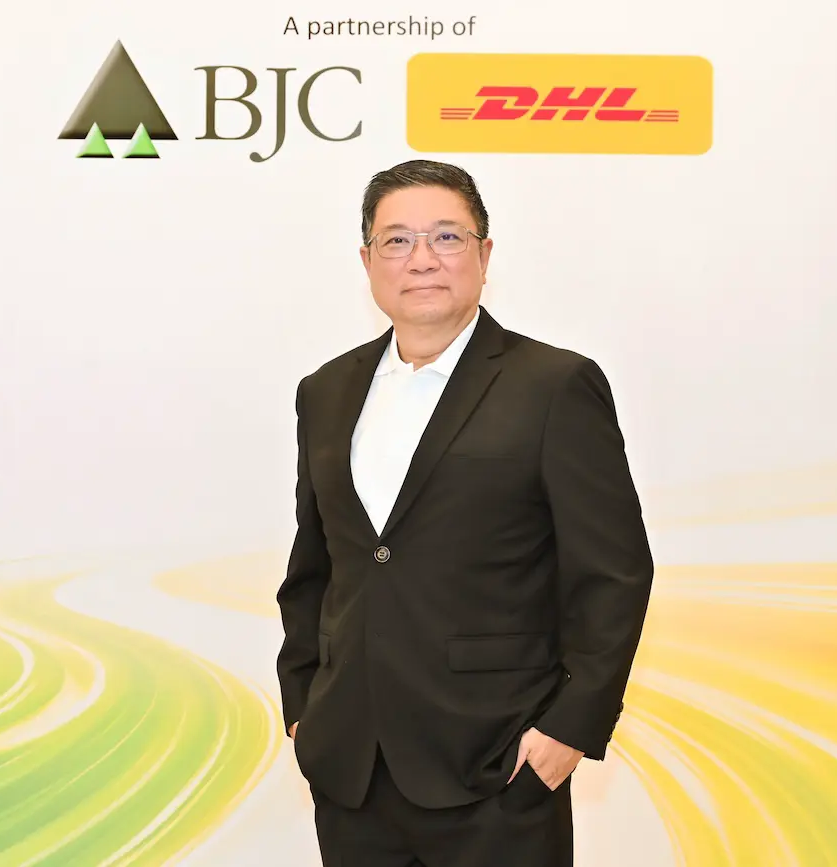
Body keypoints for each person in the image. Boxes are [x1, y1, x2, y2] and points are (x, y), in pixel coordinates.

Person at [275, 159, 654, 866]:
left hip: (498, 768)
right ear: (367, 260)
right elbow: (315, 566)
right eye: (397, 240)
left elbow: (614, 573)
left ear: (484, 254)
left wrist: (569, 730)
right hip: (351, 769)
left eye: (447, 237)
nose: (421, 259)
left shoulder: (554, 385)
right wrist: (303, 705)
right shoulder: (324, 391)